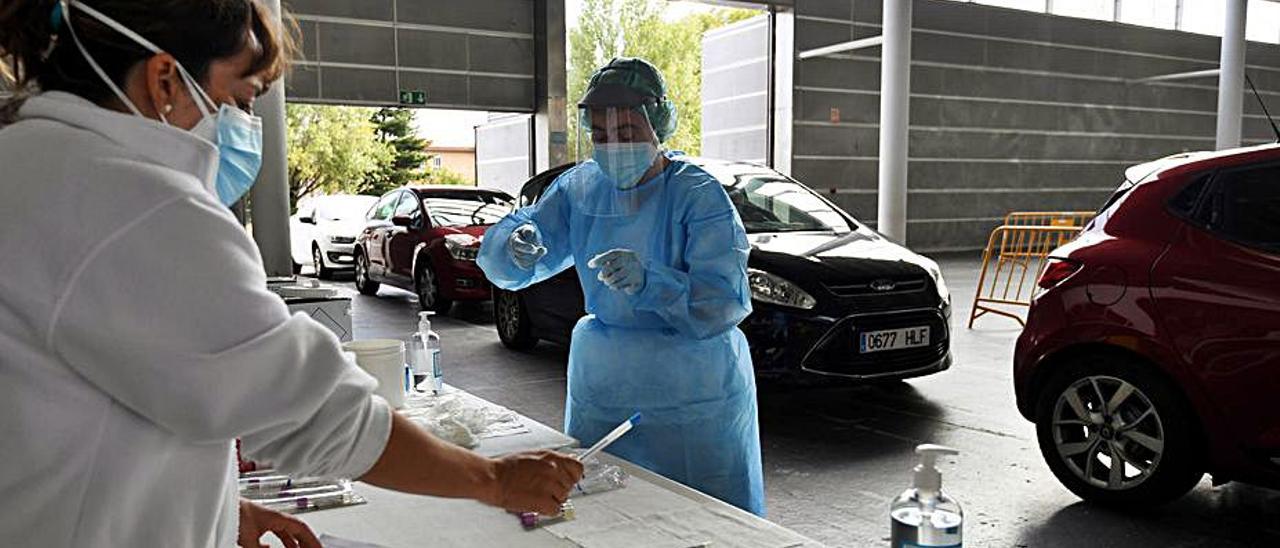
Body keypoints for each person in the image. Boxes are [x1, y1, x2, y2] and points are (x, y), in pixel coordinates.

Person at [0, 2, 582, 546]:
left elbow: (98, 401)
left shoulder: (31, 162)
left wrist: (224, 509)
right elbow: (307, 409)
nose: (247, 123)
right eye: (243, 97)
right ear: (165, 81)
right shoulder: (133, 200)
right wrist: (495, 480)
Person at [478, 57, 765, 516]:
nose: (613, 144)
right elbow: (512, 261)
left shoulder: (696, 194)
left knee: (704, 518)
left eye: (627, 131)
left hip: (692, 388)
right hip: (607, 385)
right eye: (600, 134)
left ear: (658, 125)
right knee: (605, 511)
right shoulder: (580, 189)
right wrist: (514, 245)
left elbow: (723, 303)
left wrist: (653, 281)